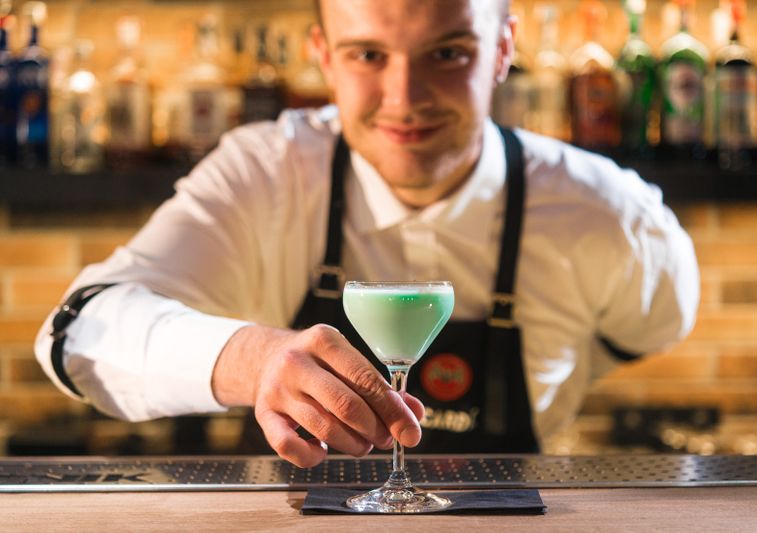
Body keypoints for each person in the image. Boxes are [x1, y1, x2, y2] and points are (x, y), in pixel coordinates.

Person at [34, 0, 699, 468]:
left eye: (448, 52)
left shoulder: (612, 213)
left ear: (502, 49)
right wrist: (253, 359)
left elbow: (646, 330)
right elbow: (75, 335)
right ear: (323, 54)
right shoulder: (264, 173)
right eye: (367, 54)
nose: (405, 96)